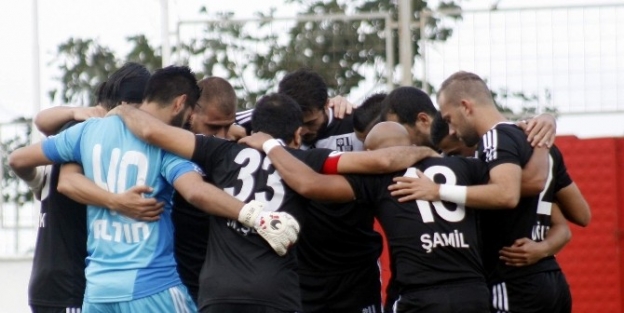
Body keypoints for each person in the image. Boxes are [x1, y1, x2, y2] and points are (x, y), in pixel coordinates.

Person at [110, 92, 438, 313]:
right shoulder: (306, 161)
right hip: (275, 292)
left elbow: (152, 132)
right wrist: (426, 151)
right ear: (297, 134)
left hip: (218, 293)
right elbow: (382, 162)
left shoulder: (217, 151)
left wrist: (123, 108)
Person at [9, 66, 298, 313]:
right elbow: (196, 191)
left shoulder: (87, 131)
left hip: (98, 290)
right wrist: (254, 216)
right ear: (179, 104)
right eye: (188, 116)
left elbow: (18, 158)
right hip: (151, 287)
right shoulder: (166, 145)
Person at [239, 121, 495, 313]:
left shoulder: (378, 179)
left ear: (369, 152)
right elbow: (511, 189)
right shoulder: (465, 166)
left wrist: (269, 145)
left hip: (420, 295)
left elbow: (310, 185)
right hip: (473, 292)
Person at [393, 71, 570, 312]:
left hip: (512, 283)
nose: (453, 130)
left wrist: (438, 190)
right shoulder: (531, 141)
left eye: (449, 118)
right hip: (550, 279)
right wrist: (545, 136)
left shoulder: (495, 138)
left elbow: (508, 193)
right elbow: (577, 214)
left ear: (465, 106)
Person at [26, 62, 161, 313]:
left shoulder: (74, 130)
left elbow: (38, 129)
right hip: (68, 283)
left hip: (52, 278)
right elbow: (66, 181)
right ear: (130, 106)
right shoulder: (90, 133)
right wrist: (119, 201)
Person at [173, 76, 238, 304]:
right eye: (213, 127)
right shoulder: (168, 141)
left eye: (227, 127)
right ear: (191, 114)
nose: (222, 136)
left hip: (222, 289)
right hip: (177, 286)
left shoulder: (234, 151)